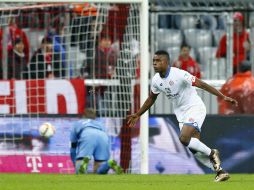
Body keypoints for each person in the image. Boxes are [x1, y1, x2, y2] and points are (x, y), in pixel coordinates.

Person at [127, 50, 238, 182]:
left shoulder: (179, 74)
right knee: (193, 148)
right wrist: (138, 114)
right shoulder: (156, 80)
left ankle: (212, 153)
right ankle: (220, 171)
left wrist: (223, 96)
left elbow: (201, 84)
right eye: (154, 61)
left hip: (194, 107)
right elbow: (151, 98)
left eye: (158, 61)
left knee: (184, 138)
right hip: (181, 114)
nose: (155, 64)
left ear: (166, 62)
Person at [70, 108, 123, 174]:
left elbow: (73, 146)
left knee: (79, 171)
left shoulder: (78, 123)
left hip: (87, 134)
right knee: (99, 171)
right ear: (95, 117)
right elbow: (106, 137)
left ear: (83, 116)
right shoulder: (99, 123)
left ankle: (83, 164)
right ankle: (108, 164)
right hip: (103, 136)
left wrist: (75, 161)